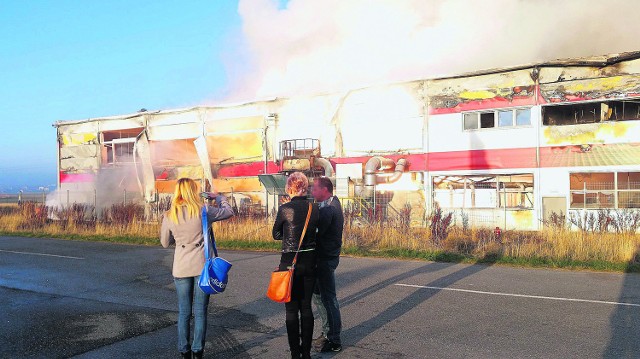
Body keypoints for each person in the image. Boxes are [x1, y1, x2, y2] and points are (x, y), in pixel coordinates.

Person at [160, 178, 234, 359]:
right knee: (200, 312)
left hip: (181, 266)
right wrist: (219, 197)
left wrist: (178, 239)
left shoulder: (169, 215)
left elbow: (164, 243)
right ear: (194, 191)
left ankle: (184, 350)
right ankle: (197, 350)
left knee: (184, 311)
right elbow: (229, 211)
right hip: (202, 267)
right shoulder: (204, 210)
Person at [272, 172, 320, 359]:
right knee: (306, 307)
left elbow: (276, 234)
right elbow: (318, 233)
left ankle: (294, 353)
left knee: (291, 310)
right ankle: (306, 353)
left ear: (289, 187)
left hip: (289, 263)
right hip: (309, 262)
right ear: (305, 187)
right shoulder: (314, 209)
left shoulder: (285, 208)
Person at [311, 177, 344, 352]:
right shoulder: (332, 204)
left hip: (325, 259)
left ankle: (334, 339)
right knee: (318, 296)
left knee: (328, 299)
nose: (312, 192)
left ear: (324, 190)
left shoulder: (329, 209)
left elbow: (315, 234)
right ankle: (327, 332)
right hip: (328, 257)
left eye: (315, 189)